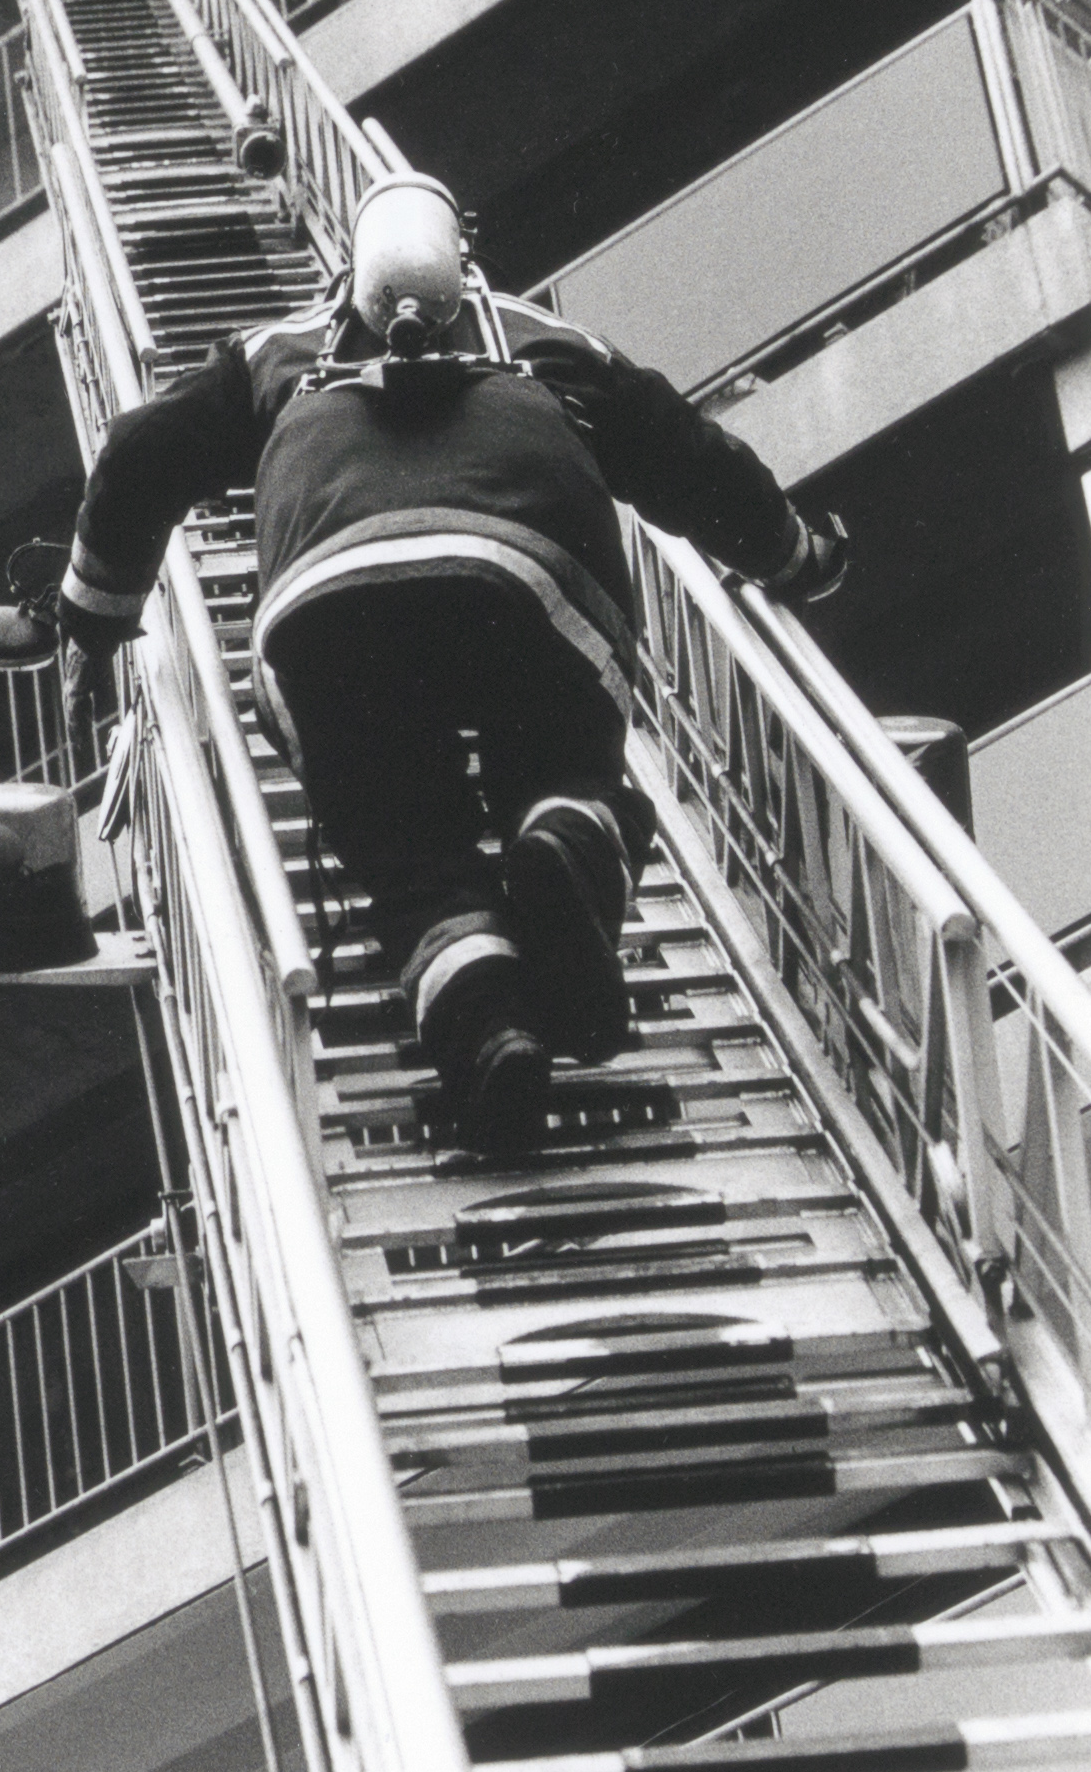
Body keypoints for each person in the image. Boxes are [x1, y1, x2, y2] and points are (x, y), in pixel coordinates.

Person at [49, 171, 847, 1156]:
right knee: (558, 749)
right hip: (525, 572)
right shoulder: (539, 338)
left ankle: (488, 1024)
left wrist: (93, 616)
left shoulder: (277, 352)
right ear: (463, 260)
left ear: (349, 270)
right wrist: (797, 556)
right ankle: (564, 831)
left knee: (399, 831)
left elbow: (139, 450)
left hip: (329, 600)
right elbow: (689, 457)